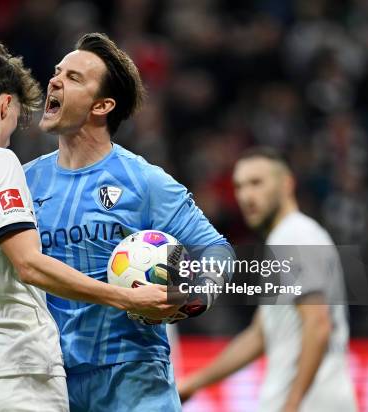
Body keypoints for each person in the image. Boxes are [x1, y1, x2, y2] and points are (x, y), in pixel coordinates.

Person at [0, 42, 176, 412]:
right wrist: (127, 297)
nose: (9, 136)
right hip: (15, 373)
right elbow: (29, 264)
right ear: (6, 104)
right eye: (14, 120)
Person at [24, 33, 234, 412]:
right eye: (57, 73)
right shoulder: (23, 182)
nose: (53, 81)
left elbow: (219, 254)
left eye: (73, 78)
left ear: (102, 105)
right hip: (51, 381)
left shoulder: (144, 181)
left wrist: (184, 301)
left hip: (133, 377)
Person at [178, 147, 357, 412]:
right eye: (239, 186)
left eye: (257, 183)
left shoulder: (294, 236)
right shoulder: (286, 238)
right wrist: (194, 383)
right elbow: (260, 335)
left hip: (312, 402)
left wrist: (292, 404)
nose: (246, 196)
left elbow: (318, 325)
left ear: (287, 184)